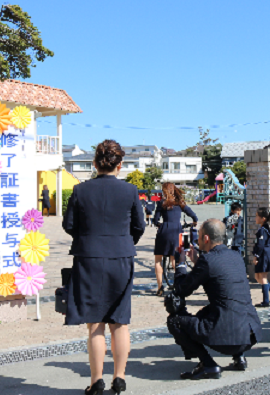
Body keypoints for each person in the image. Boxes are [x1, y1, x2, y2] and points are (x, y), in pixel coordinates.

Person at [62, 139, 146, 395]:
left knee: (95, 323)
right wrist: (123, 242)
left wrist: (89, 237)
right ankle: (119, 377)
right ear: (119, 165)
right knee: (120, 322)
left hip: (88, 258)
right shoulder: (130, 191)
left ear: (94, 163)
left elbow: (69, 225)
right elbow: (140, 226)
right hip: (121, 257)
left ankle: (96, 381)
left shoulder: (80, 190)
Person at [167, 219, 263, 380]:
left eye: (199, 236)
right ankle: (239, 357)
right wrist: (197, 261)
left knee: (174, 321)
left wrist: (181, 264)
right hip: (250, 333)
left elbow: (182, 290)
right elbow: (217, 273)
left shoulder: (207, 261)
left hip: (228, 338)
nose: (197, 240)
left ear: (206, 239)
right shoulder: (236, 256)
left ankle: (208, 364)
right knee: (217, 308)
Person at [153, 183, 198, 296]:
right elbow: (193, 215)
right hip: (177, 231)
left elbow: (155, 220)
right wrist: (194, 221)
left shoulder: (161, 203)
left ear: (164, 191)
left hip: (164, 231)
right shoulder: (180, 203)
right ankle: (180, 286)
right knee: (176, 260)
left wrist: (160, 225)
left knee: (158, 260)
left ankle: (160, 288)